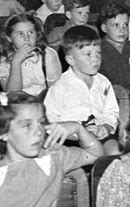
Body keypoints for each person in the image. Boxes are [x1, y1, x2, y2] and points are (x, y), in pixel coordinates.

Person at [44, 26, 120, 155]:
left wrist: (106, 127)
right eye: (88, 54)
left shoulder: (103, 82)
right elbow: (50, 122)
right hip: (73, 140)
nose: (95, 59)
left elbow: (111, 111)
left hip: (100, 134)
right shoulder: (60, 87)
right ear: (70, 60)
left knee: (115, 152)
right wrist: (77, 134)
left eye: (98, 53)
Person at [0, 13, 61, 97]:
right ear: (9, 37)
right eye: (20, 33)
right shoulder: (0, 59)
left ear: (37, 34)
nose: (26, 38)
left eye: (31, 32)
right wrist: (16, 62)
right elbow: (12, 95)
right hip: (17, 105)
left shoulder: (48, 54)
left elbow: (55, 91)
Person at [99, 2, 130, 93]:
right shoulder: (97, 52)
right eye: (116, 25)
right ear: (104, 28)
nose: (122, 30)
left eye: (125, 25)